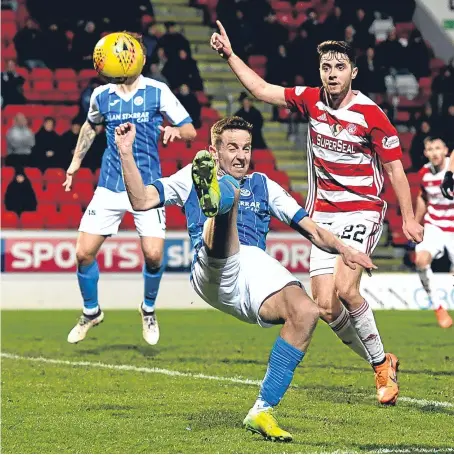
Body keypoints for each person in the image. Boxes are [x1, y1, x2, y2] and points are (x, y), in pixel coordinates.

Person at [115, 116, 376, 441]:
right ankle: (219, 202)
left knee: (307, 313)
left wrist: (343, 249)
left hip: (252, 267)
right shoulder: (188, 177)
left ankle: (262, 410)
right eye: (232, 148)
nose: (241, 155)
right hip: (210, 266)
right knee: (229, 192)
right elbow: (141, 200)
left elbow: (311, 229)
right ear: (214, 151)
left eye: (247, 148)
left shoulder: (265, 185)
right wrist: (125, 153)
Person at [210, 25, 425, 404]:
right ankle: (382, 360)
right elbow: (262, 90)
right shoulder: (310, 100)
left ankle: (379, 370)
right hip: (322, 217)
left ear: (353, 72)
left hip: (362, 209)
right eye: (326, 66)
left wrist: (407, 217)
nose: (332, 73)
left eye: (339, 67)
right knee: (325, 306)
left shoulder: (371, 115)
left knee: (346, 289)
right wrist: (229, 55)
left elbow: (394, 169)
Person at [64, 32, 197, 346]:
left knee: (153, 256)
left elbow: (190, 129)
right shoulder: (101, 96)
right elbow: (90, 126)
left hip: (148, 187)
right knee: (83, 253)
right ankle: (91, 311)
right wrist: (74, 163)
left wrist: (176, 133)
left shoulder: (157, 91)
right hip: (110, 186)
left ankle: (148, 309)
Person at [414, 137, 453, 328]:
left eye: (438, 148)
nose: (435, 152)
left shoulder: (451, 170)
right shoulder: (424, 174)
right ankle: (438, 307)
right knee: (421, 260)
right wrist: (414, 223)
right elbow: (422, 197)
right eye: (430, 149)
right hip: (435, 226)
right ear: (425, 153)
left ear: (446, 150)